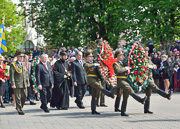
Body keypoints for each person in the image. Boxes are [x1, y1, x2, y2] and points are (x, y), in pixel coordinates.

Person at [113, 49, 147, 116]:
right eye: (121, 55)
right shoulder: (115, 64)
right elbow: (118, 71)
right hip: (120, 81)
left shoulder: (124, 63)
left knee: (126, 96)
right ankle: (140, 99)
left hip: (126, 80)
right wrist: (125, 68)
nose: (122, 56)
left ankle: (123, 112)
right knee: (129, 89)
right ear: (117, 57)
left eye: (122, 55)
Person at [144, 47, 172, 114]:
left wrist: (152, 66)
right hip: (146, 78)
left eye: (147, 52)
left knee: (148, 94)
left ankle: (146, 109)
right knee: (155, 88)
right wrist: (146, 66)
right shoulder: (141, 59)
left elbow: (154, 65)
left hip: (150, 77)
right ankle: (166, 95)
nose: (147, 53)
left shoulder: (148, 59)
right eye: (145, 52)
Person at [10, 50, 30, 115]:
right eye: (20, 57)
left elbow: (26, 74)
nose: (22, 58)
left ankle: (19, 106)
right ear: (17, 57)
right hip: (17, 83)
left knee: (25, 96)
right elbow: (12, 75)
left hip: (24, 83)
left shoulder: (24, 64)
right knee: (18, 97)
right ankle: (19, 110)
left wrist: (28, 82)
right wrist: (13, 84)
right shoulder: (13, 65)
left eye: (23, 57)